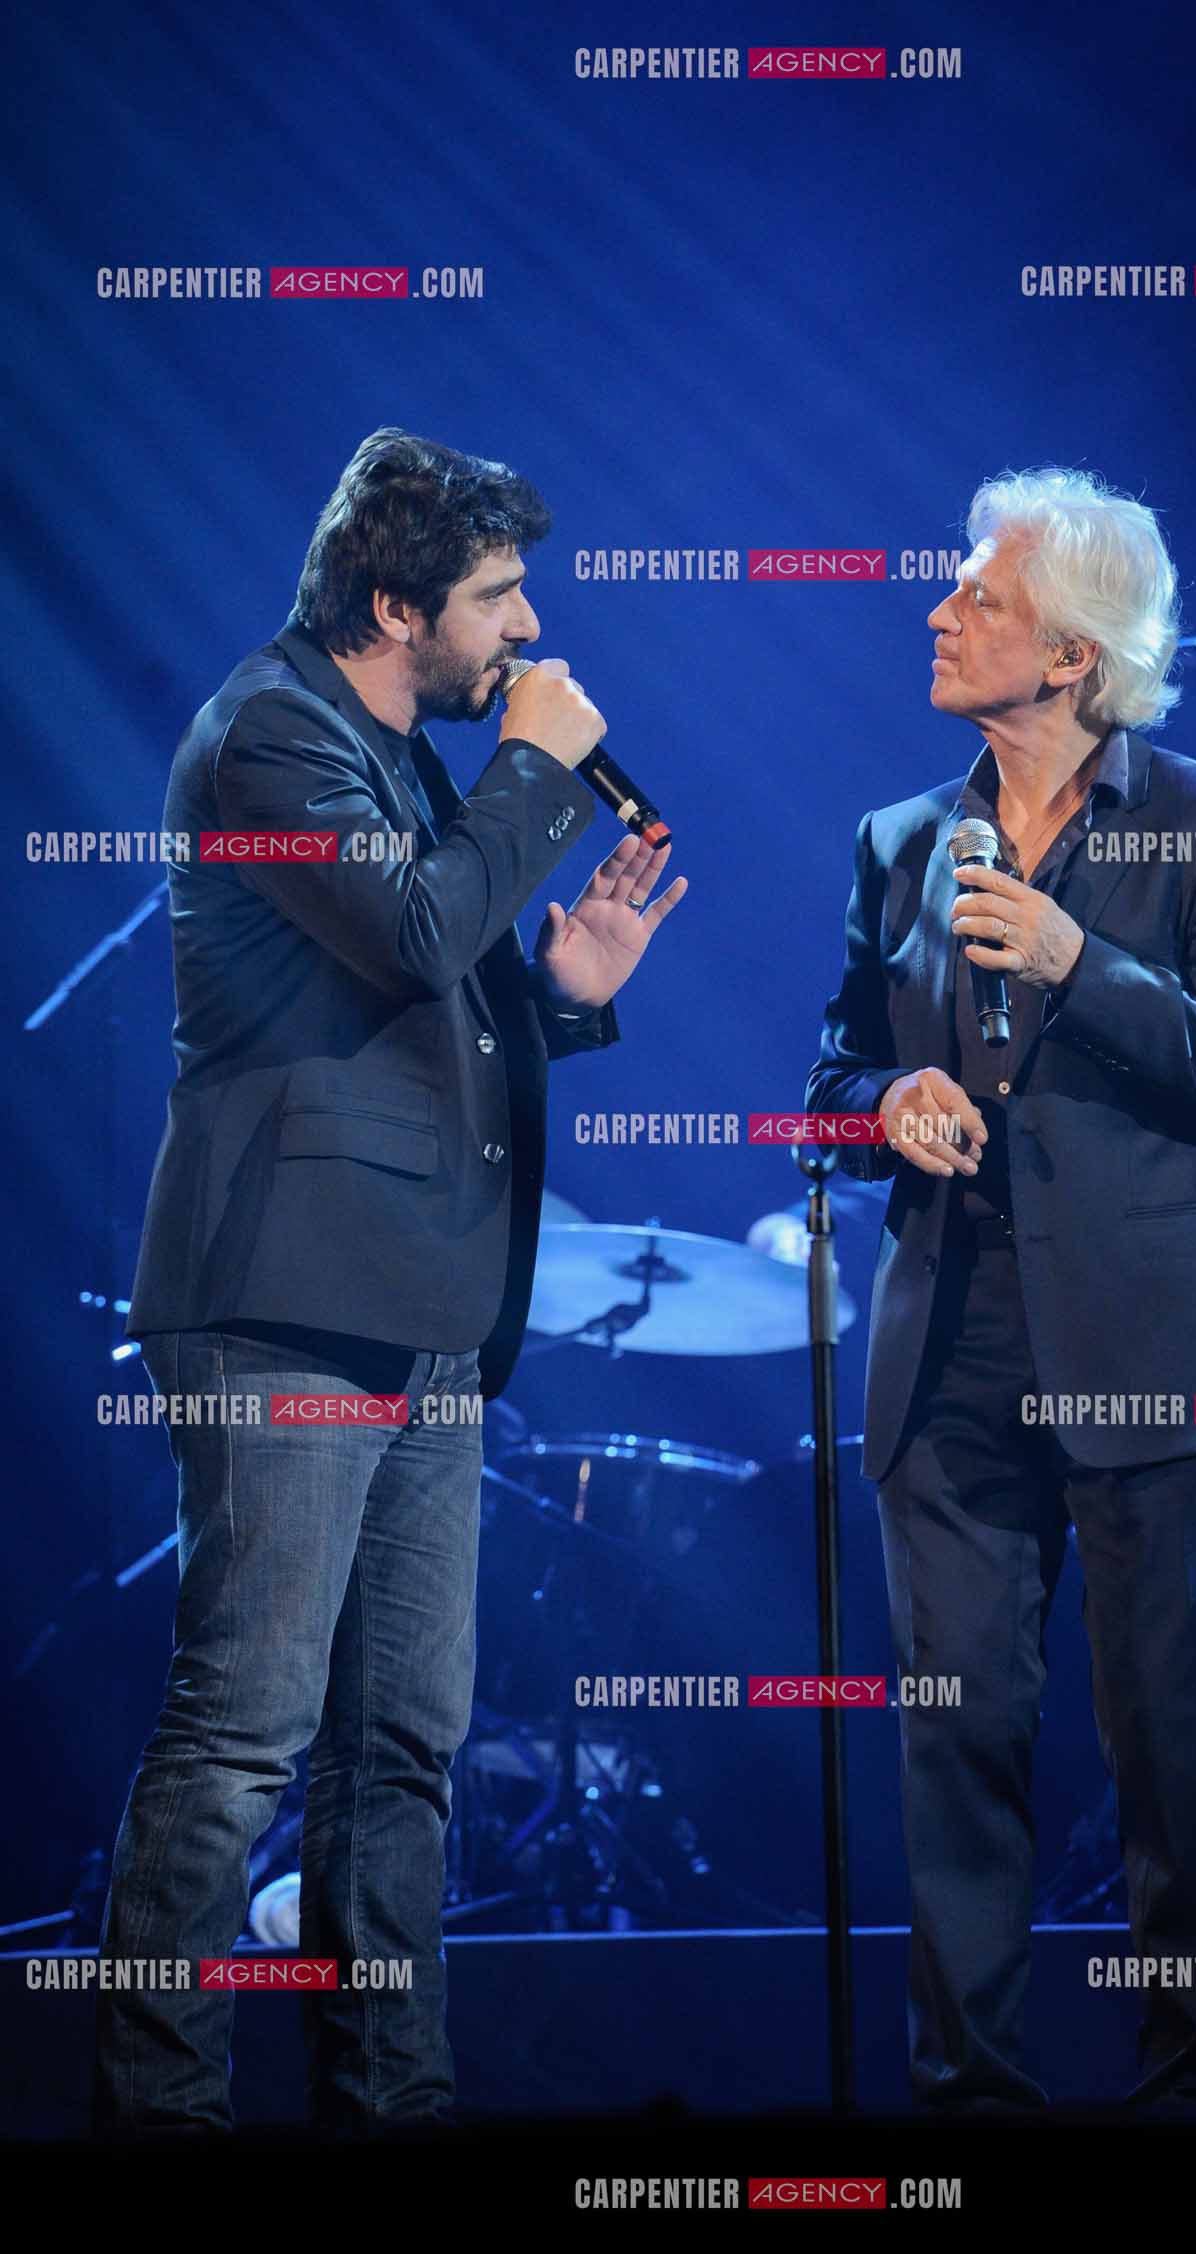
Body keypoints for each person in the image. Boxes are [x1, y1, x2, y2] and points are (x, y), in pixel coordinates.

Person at [94, 426, 686, 2136]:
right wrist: (539, 774)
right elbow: (415, 936)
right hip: (285, 1301)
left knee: (401, 1747)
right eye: (496, 594)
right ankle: (162, 2108)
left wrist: (566, 992)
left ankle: (393, 2096)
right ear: (388, 599)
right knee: (243, 1739)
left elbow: (424, 992)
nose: (525, 625)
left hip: (423, 1313)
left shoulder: (401, 750)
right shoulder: (274, 733)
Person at [806, 467, 1196, 2116]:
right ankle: (969, 2105)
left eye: (981, 598)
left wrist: (1080, 964)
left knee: (1169, 1750)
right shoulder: (899, 840)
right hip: (948, 1349)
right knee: (957, 1747)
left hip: (1145, 1355)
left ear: (1074, 658)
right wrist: (884, 1106)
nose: (940, 611)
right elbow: (827, 1072)